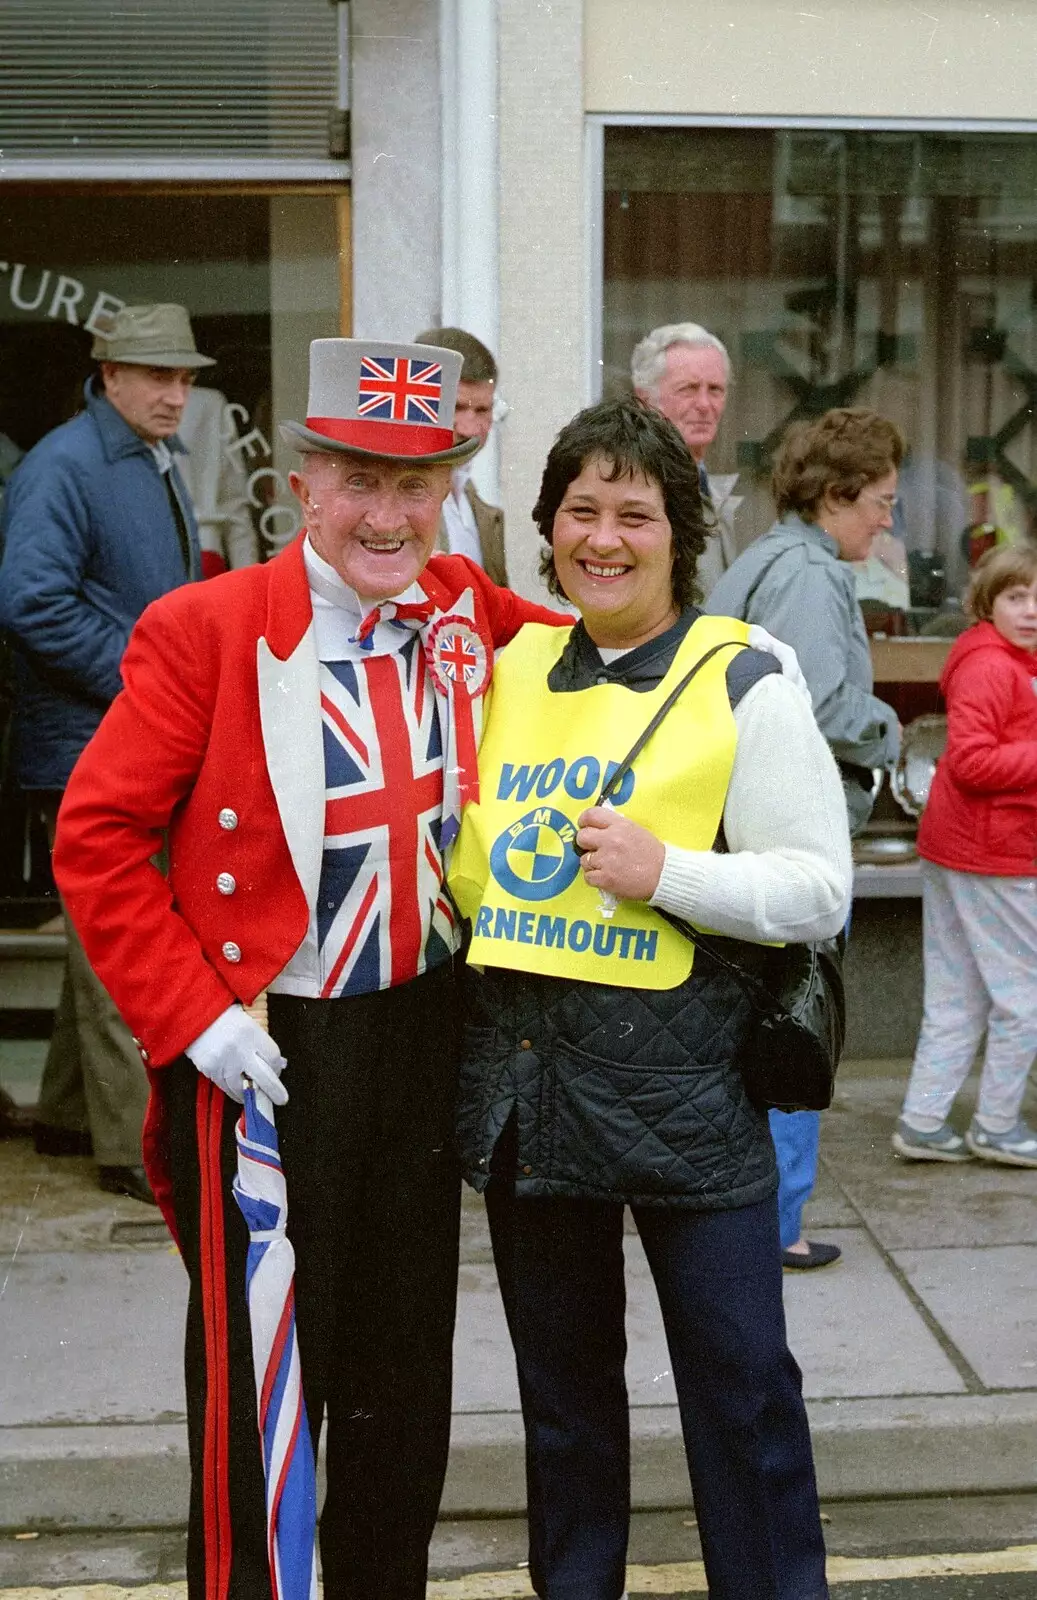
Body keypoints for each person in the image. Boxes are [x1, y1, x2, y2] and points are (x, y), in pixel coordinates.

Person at [51, 336, 567, 1600]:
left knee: (404, 1376)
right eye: (358, 481)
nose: (387, 515)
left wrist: (732, 665)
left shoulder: (462, 605)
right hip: (271, 1056)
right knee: (266, 1385)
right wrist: (193, 1021)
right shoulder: (205, 630)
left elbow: (605, 657)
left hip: (423, 1036)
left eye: (416, 483)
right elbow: (97, 839)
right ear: (300, 488)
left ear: (448, 489)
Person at [448, 397, 851, 1600]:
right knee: (563, 1408)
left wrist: (663, 870)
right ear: (548, 529)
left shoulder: (744, 677)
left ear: (679, 532)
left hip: (691, 1097)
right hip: (535, 1094)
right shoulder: (510, 666)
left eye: (635, 513)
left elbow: (818, 888)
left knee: (739, 1394)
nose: (604, 539)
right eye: (581, 511)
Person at [0, 302, 213, 1203]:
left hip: (116, 733)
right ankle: (132, 1143)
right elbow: (30, 600)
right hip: (93, 740)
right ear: (109, 374)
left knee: (99, 931)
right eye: (158, 376)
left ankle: (67, 1114)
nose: (176, 393)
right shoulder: (68, 464)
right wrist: (143, 677)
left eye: (184, 376)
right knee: (119, 930)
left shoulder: (137, 453)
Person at [707, 407, 903, 1271]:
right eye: (881, 501)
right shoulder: (810, 575)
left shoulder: (767, 556)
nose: (887, 519)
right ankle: (778, 1226)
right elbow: (823, 708)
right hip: (791, 842)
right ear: (836, 494)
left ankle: (757, 1218)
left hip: (743, 835)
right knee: (798, 1026)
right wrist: (888, 726)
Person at [894, 544, 1037, 1168]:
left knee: (958, 996)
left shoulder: (1004, 658)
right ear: (988, 602)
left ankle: (924, 1122)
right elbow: (973, 763)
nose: (1031, 610)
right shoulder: (992, 667)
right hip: (994, 852)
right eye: (1016, 597)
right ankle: (997, 1124)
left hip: (963, 846)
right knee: (1024, 997)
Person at [632, 321, 741, 596]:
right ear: (646, 400)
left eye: (715, 389)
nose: (705, 405)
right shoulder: (637, 496)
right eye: (688, 389)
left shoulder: (711, 492)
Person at [416, 324, 507, 583]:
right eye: (454, 408)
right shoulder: (394, 507)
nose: (469, 429)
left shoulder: (478, 508)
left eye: (482, 410)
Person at [176, 384, 260, 576]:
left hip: (200, 551)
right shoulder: (208, 403)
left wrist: (248, 583)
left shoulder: (207, 403)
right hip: (202, 548)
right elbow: (234, 503)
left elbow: (234, 501)